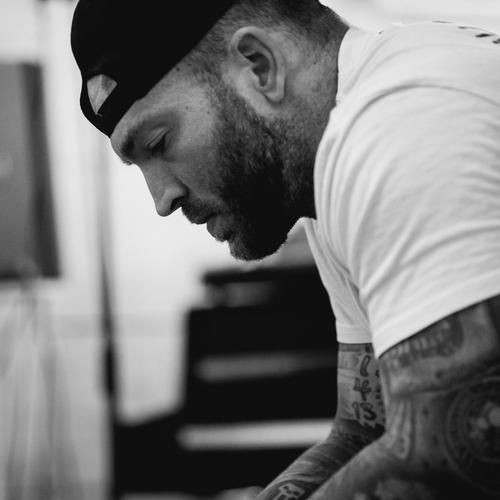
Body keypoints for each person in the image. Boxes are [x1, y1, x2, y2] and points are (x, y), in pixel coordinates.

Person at [71, 1, 500, 498]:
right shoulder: (330, 163)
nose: (162, 199)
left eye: (160, 142)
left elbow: (461, 446)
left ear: (259, 64)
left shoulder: (398, 121)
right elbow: (366, 428)